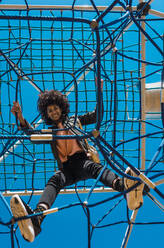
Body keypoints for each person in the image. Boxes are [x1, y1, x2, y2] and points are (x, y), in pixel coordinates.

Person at [10, 83, 145, 242]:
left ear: (61, 107)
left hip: (81, 161)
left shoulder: (75, 120)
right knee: (55, 180)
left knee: (95, 168)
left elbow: (97, 115)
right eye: (50, 110)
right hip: (66, 168)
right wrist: (19, 116)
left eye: (55, 108)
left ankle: (124, 187)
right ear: (46, 114)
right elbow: (33, 135)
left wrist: (99, 90)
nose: (54, 112)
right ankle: (36, 219)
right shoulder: (51, 132)